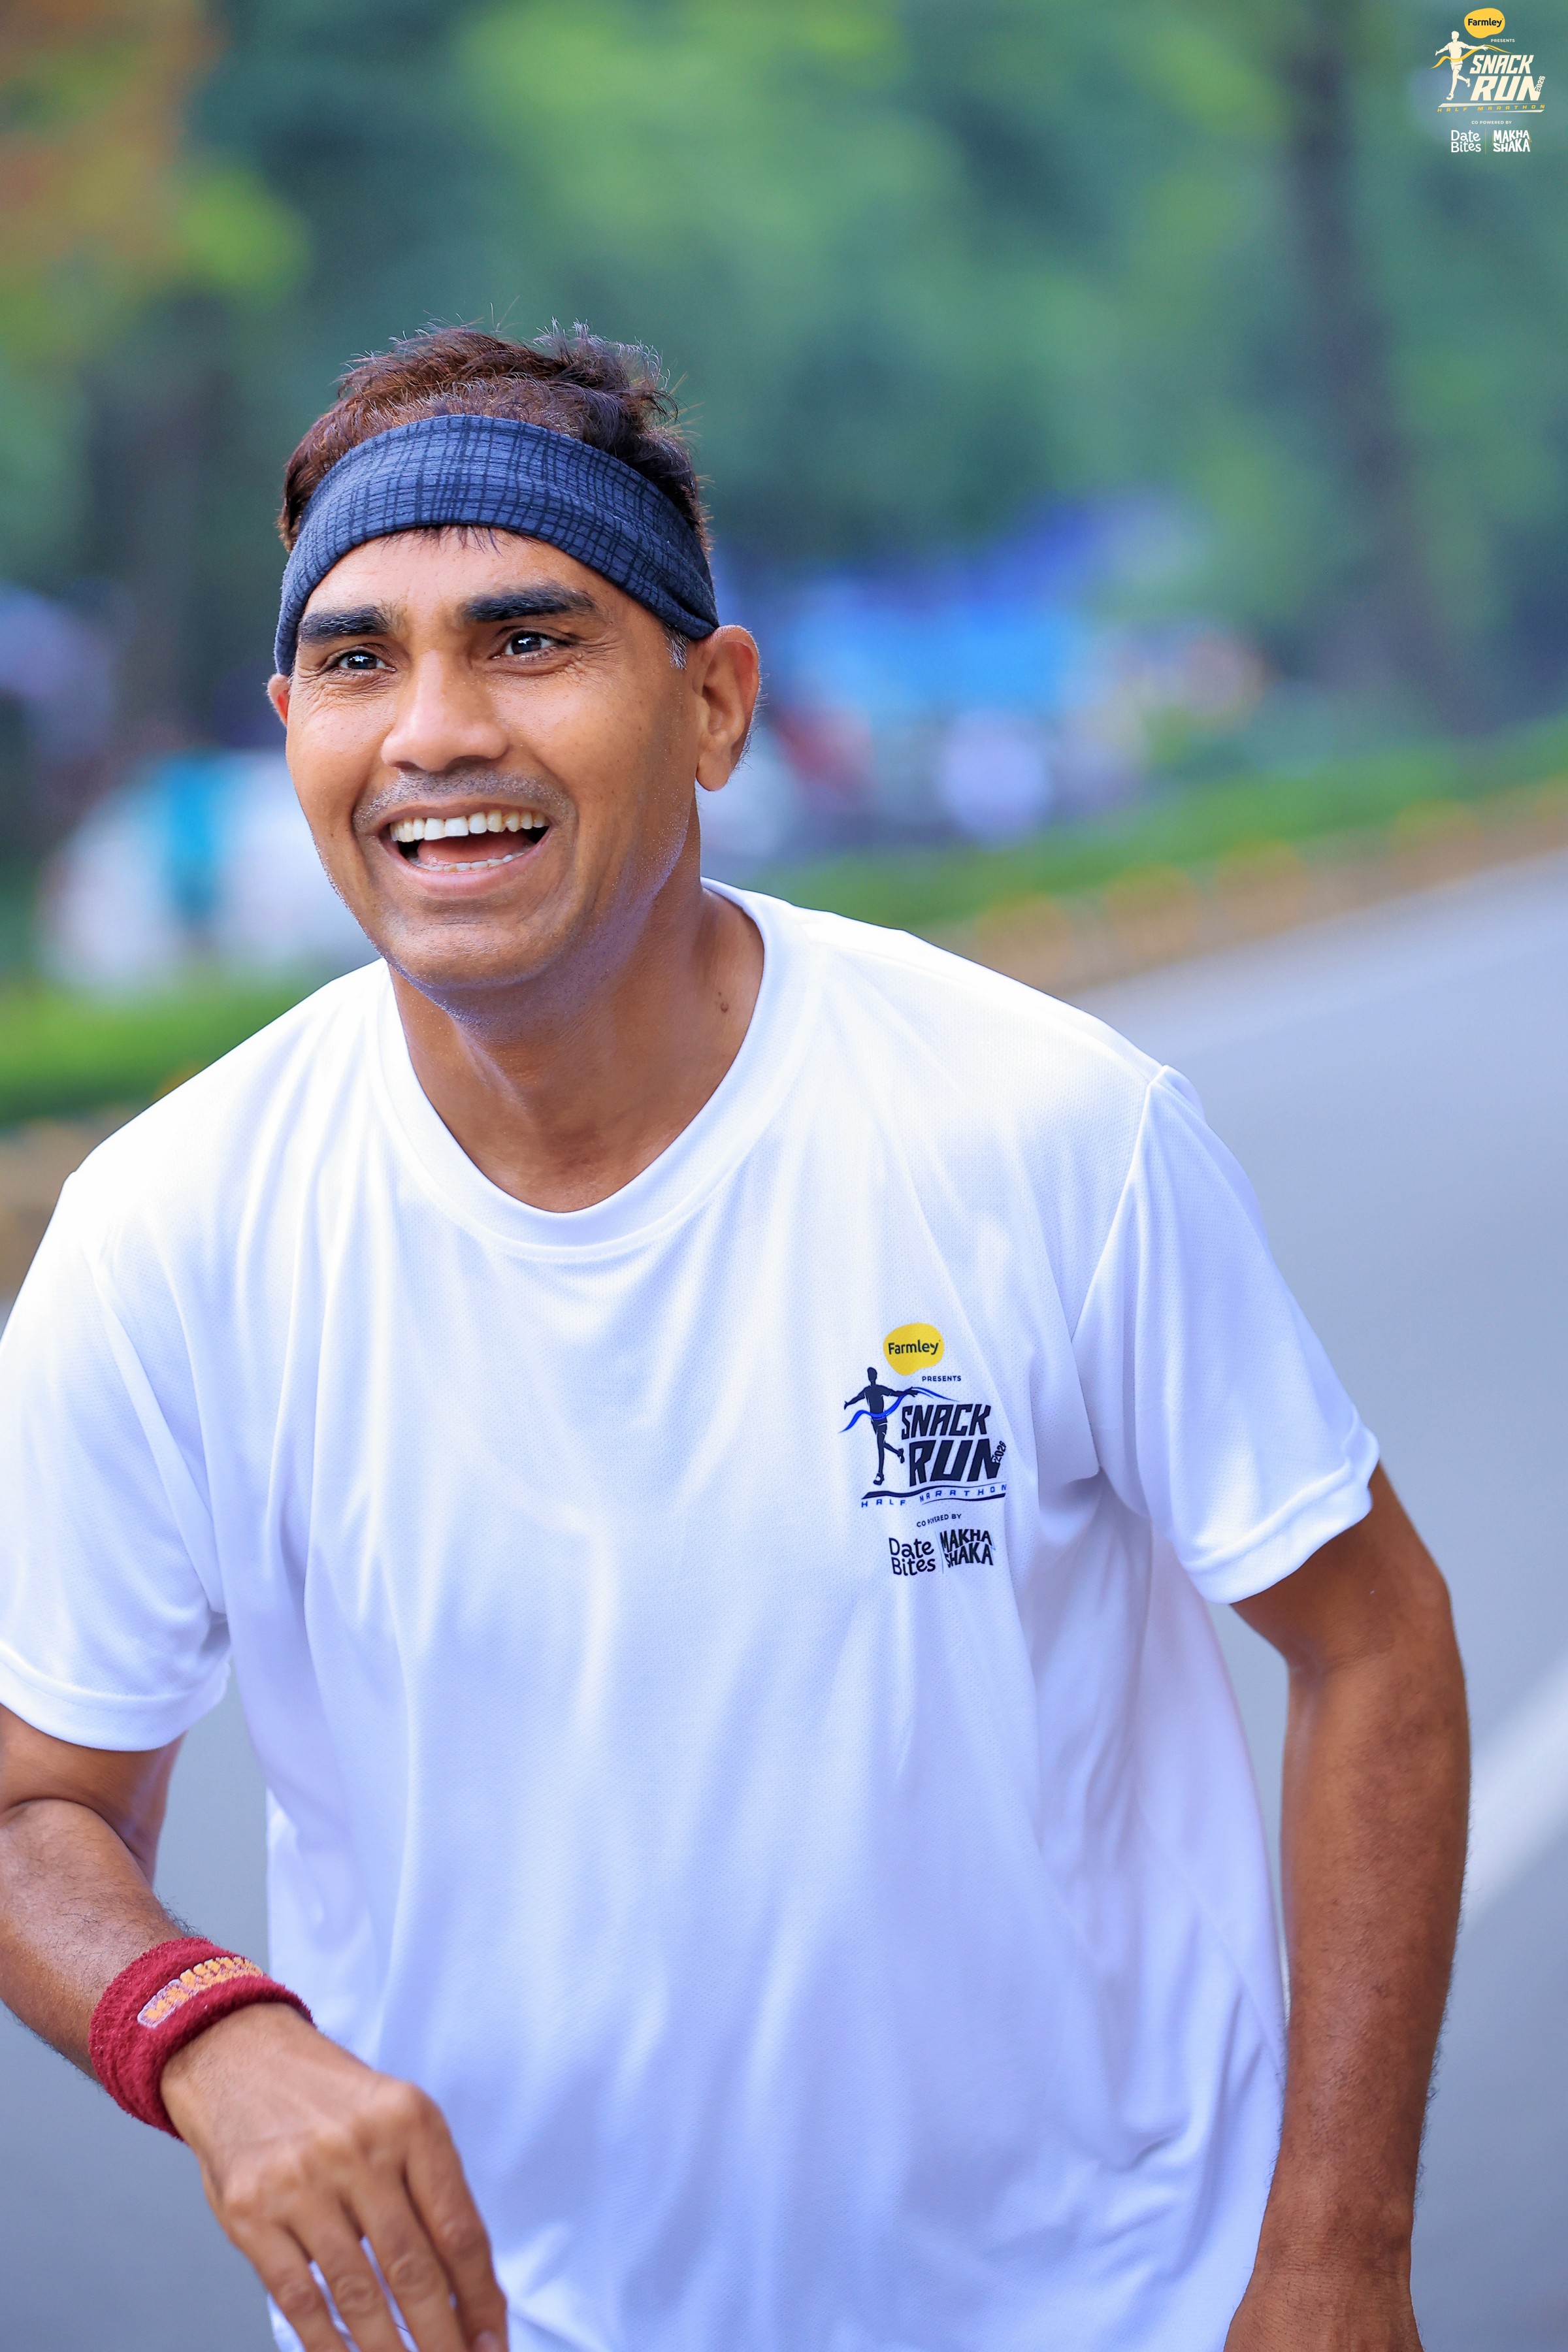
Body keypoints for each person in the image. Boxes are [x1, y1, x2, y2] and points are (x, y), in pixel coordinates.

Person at [0, 327, 1468, 2352]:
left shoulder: (1043, 1129)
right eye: (357, 661)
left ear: (713, 706)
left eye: (530, 642)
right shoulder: (173, 1231)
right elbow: (38, 1806)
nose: (435, 731)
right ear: (291, 727)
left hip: (1099, 2304)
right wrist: (208, 2037)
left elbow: (1375, 1646)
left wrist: (1337, 2255)